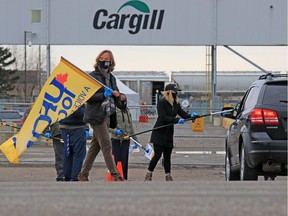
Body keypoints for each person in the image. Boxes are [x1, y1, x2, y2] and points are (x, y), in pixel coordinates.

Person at [78, 50, 124, 182]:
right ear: (98, 60)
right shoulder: (93, 76)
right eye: (102, 58)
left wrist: (119, 97)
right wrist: (103, 95)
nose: (105, 60)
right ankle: (116, 175)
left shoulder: (112, 78)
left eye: (107, 58)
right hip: (96, 115)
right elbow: (88, 97)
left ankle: (83, 174)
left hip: (108, 114)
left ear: (111, 61)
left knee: (94, 148)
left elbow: (118, 98)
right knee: (106, 144)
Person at [144, 83, 199, 181]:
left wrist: (191, 116)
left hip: (169, 133)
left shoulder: (176, 104)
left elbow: (182, 114)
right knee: (157, 155)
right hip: (159, 132)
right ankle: (149, 174)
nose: (176, 93)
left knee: (167, 156)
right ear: (169, 92)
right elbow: (163, 117)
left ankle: (168, 176)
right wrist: (177, 120)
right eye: (175, 91)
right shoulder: (162, 103)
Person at [109, 93, 138, 180]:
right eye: (122, 101)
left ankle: (124, 177)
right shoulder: (113, 112)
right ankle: (116, 176)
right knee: (116, 159)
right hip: (116, 139)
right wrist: (115, 131)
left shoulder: (127, 111)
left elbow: (131, 126)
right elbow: (107, 126)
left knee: (125, 159)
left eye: (125, 100)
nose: (124, 102)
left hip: (126, 139)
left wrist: (136, 140)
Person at [59, 105, 88, 181]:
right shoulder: (76, 98)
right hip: (76, 127)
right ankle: (74, 177)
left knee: (68, 154)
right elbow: (79, 113)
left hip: (65, 127)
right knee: (78, 154)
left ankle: (67, 176)